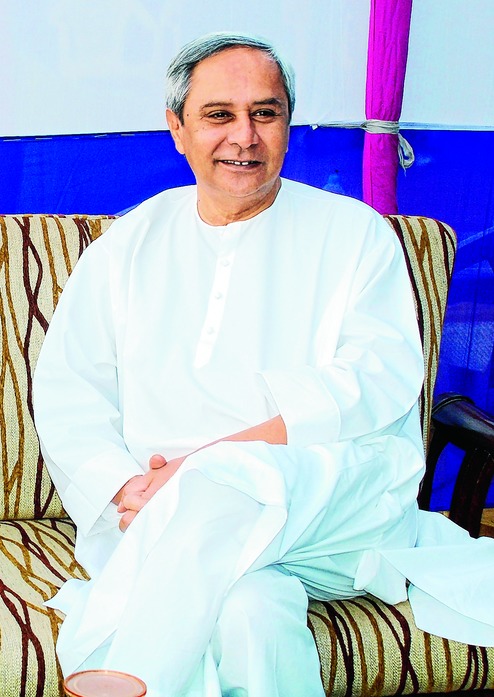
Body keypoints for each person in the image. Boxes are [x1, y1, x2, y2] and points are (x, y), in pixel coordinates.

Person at [33, 32, 494, 697]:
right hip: (160, 521)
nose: (244, 136)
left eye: (265, 113)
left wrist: (198, 469)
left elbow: (375, 381)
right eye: (219, 114)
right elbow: (70, 386)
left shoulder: (357, 234)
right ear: (178, 129)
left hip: (334, 505)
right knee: (251, 609)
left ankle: (129, 675)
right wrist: (124, 488)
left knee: (222, 482)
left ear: (288, 124)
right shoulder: (130, 242)